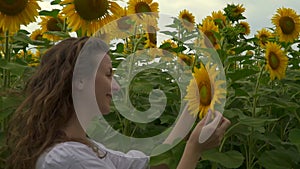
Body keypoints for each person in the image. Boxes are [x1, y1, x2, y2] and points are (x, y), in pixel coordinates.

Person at [5, 37, 231, 169]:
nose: (116, 87)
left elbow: (146, 160)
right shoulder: (69, 159)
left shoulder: (85, 146)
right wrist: (194, 148)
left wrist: (192, 105)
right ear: (80, 81)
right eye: (108, 74)